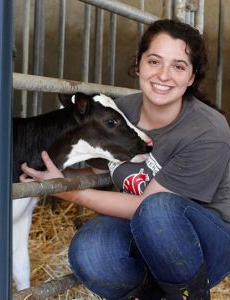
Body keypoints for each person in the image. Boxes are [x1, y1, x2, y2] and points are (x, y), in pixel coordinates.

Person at [20, 19, 230, 300]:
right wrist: (54, 179)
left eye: (178, 66)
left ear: (191, 77)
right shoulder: (118, 114)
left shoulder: (207, 130)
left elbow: (147, 207)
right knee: (90, 249)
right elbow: (95, 168)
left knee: (158, 209)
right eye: (154, 61)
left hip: (207, 239)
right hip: (144, 228)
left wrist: (67, 191)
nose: (164, 75)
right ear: (139, 64)